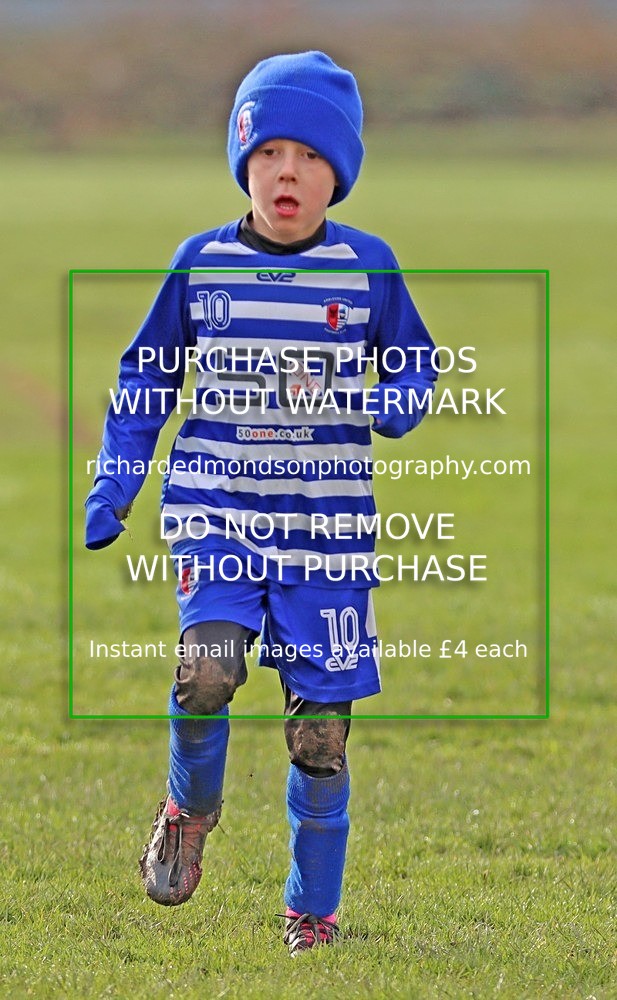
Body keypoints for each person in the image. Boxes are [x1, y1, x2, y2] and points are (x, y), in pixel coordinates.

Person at [85, 50, 438, 955]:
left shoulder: (367, 266)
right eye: (271, 151)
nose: (289, 172)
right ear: (243, 158)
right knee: (206, 671)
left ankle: (311, 911)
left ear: (339, 173)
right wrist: (116, 481)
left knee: (318, 739)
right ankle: (187, 810)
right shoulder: (200, 264)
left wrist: (398, 398)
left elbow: (414, 359)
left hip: (326, 534)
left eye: (311, 156)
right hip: (218, 510)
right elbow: (146, 376)